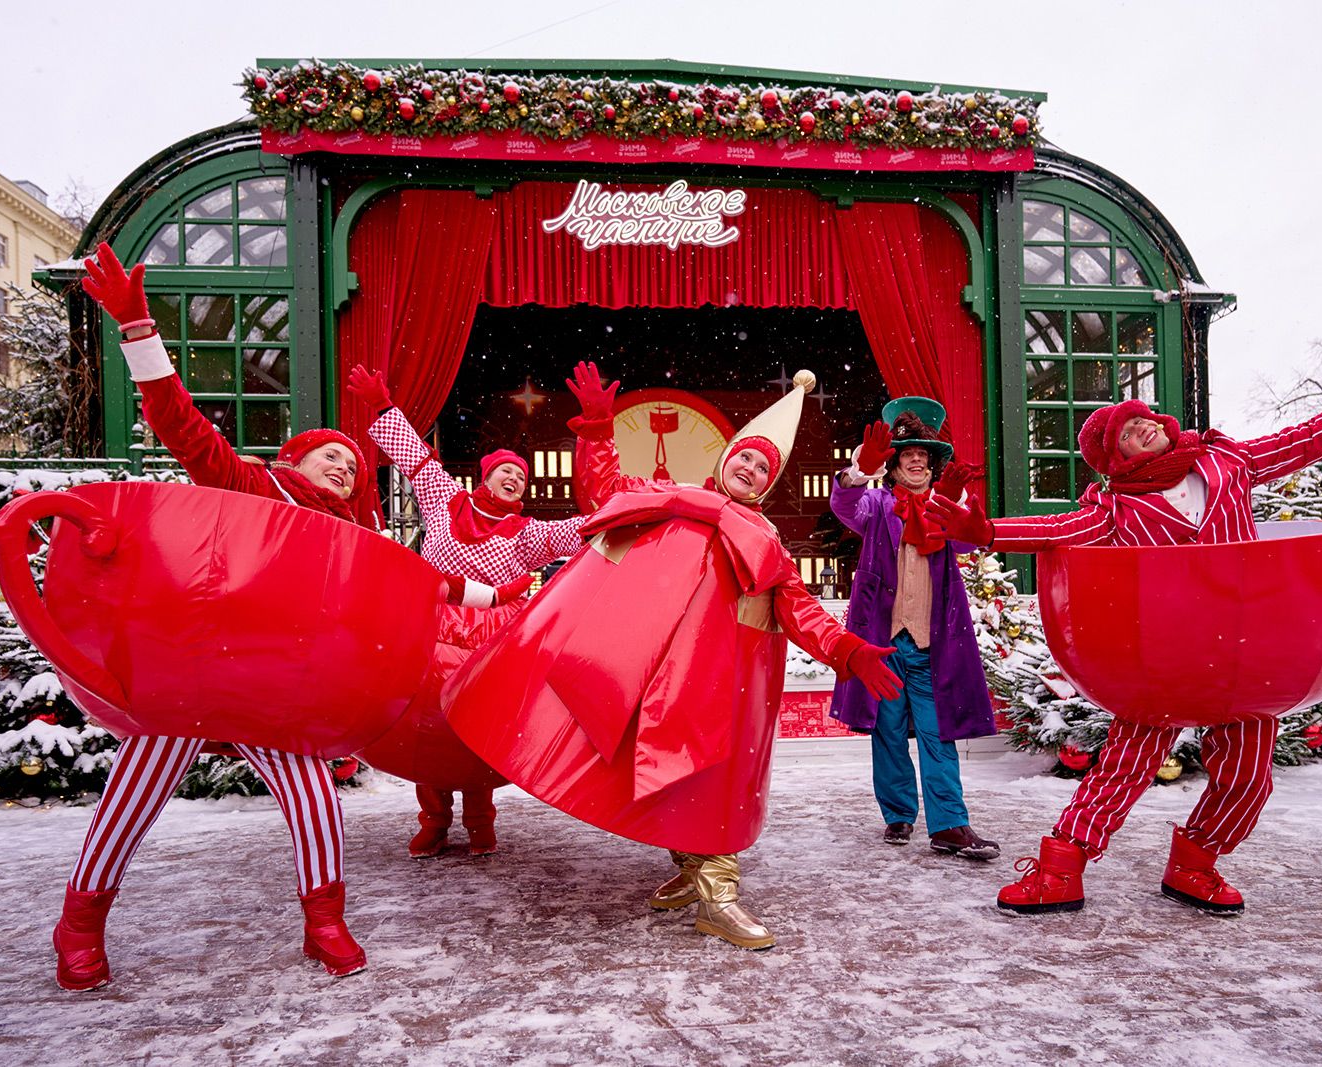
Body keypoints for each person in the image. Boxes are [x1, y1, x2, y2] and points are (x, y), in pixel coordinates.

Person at [55, 244, 498, 991]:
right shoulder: (254, 487)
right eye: (332, 456)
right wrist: (138, 329)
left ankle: (324, 919)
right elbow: (180, 423)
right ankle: (81, 922)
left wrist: (507, 597)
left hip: (278, 695)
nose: (345, 468)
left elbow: (427, 586)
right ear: (297, 459)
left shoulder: (357, 544)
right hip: (193, 676)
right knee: (132, 798)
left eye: (353, 465)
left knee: (314, 797)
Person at [927, 339, 1322, 916]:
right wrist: (982, 533)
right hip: (1164, 665)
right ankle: (1060, 869)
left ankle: (1195, 863)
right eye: (1122, 436)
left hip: (1244, 659)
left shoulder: (1229, 463)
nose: (1138, 429)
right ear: (1116, 463)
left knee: (1248, 778)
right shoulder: (1113, 510)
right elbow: (1053, 530)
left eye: (1140, 420)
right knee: (1122, 771)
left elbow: (1316, 436)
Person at [442, 363, 902, 950]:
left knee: (711, 780)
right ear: (725, 457)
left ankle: (720, 898)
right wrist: (597, 430)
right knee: (656, 771)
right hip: (643, 666)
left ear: (768, 483)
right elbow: (603, 489)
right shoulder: (667, 498)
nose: (750, 467)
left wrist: (847, 649)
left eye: (763, 466)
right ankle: (690, 869)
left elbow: (801, 609)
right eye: (745, 456)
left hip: (716, 682)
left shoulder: (767, 544)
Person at [347, 367, 587, 859]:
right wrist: (383, 408)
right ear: (486, 474)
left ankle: (480, 820)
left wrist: (631, 510)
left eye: (521, 476)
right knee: (425, 723)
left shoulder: (527, 532)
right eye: (506, 470)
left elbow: (580, 531)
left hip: (497, 638)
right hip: (433, 625)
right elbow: (416, 460)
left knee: (477, 728)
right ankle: (433, 821)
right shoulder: (444, 500)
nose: (514, 477)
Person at [831, 398, 999, 860]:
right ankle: (899, 815)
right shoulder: (876, 505)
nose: (917, 460)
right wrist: (856, 472)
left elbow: (971, 539)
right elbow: (845, 504)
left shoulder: (945, 509)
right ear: (895, 465)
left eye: (925, 456)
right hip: (883, 647)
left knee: (937, 733)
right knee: (887, 732)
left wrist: (962, 510)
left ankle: (949, 824)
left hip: (932, 649)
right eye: (908, 455)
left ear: (934, 464)